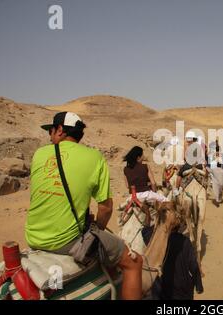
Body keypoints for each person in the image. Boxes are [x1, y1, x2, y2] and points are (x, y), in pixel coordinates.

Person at [25, 111, 142, 300]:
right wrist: (96, 229)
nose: (50, 135)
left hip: (33, 236)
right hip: (66, 242)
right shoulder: (95, 157)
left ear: (60, 130)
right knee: (135, 262)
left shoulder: (39, 154)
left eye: (51, 130)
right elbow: (105, 208)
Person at [142, 223, 204, 300]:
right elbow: (193, 265)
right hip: (183, 289)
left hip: (164, 289)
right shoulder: (185, 241)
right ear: (179, 226)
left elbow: (145, 232)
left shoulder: (159, 241)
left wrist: (155, 219)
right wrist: (199, 286)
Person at [123, 146, 168, 225]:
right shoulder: (145, 166)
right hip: (146, 195)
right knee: (167, 201)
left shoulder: (125, 169)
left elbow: (127, 186)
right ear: (138, 157)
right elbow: (153, 183)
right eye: (142, 155)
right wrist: (154, 192)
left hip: (133, 197)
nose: (143, 157)